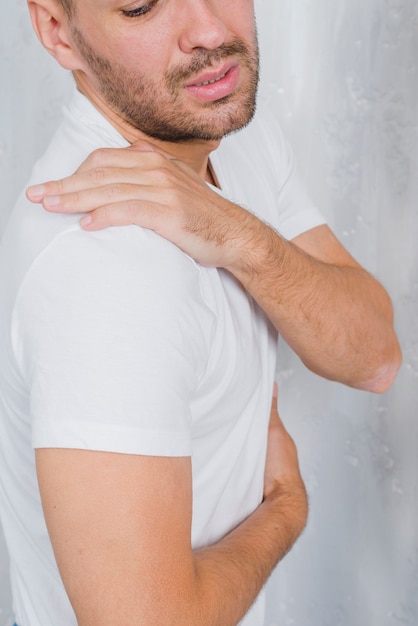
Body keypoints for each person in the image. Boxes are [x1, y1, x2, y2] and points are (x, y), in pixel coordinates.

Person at [0, 1, 401, 625]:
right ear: (58, 32)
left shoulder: (223, 129)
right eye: (140, 5)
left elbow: (375, 356)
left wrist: (239, 235)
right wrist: (284, 511)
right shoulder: (102, 270)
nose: (211, 31)